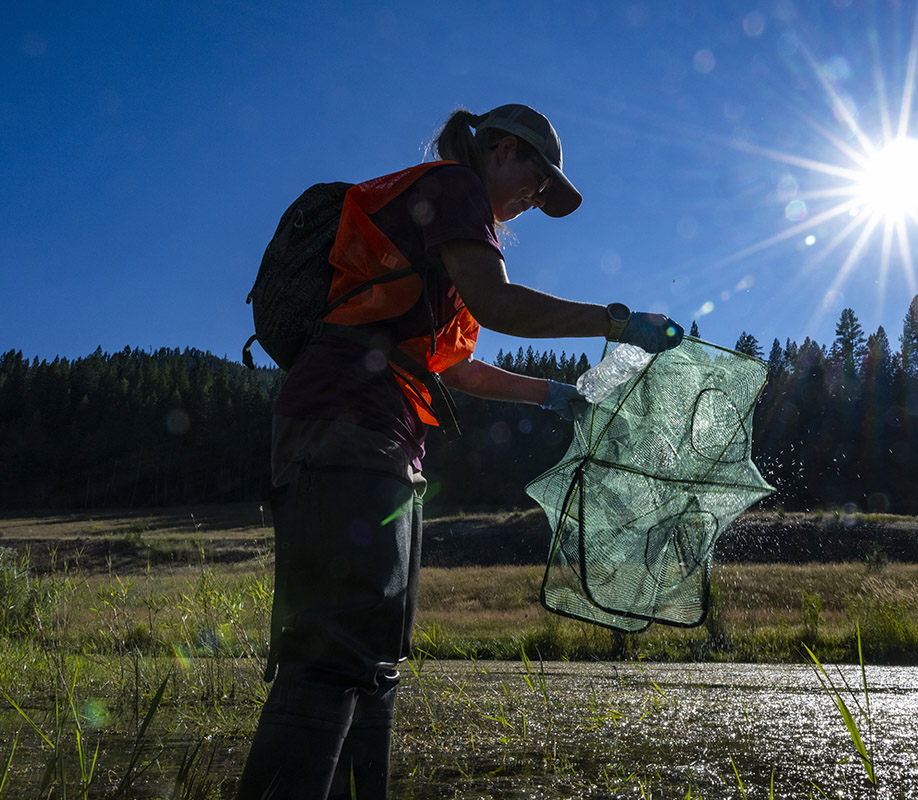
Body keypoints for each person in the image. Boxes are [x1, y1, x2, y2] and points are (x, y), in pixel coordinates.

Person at [235, 103, 682, 799]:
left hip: (387, 440)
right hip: (343, 428)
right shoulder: (453, 187)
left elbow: (458, 368)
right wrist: (617, 323)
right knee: (334, 653)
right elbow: (499, 305)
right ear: (503, 150)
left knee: (378, 660)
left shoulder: (450, 237)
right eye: (538, 183)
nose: (535, 201)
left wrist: (557, 396)